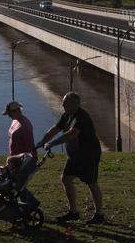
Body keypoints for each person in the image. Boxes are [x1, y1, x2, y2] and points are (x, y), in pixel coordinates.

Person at [36, 92, 104, 224]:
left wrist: (53, 143)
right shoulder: (67, 115)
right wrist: (42, 141)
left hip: (88, 155)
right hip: (74, 155)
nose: (63, 105)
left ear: (75, 104)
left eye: (65, 103)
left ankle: (99, 214)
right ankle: (73, 212)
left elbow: (71, 134)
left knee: (91, 183)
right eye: (63, 103)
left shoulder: (82, 117)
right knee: (66, 179)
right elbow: (55, 129)